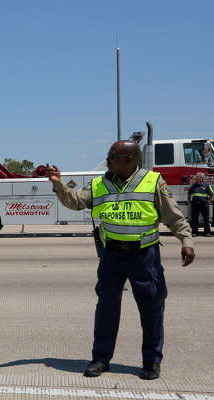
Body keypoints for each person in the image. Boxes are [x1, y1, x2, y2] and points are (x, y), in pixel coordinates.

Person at [46, 140, 195, 380]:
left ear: (129, 159)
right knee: (106, 309)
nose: (108, 159)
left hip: (144, 255)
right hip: (111, 256)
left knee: (151, 309)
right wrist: (58, 184)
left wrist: (186, 242)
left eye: (112, 156)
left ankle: (151, 362)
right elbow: (74, 202)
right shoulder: (99, 184)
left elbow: (173, 217)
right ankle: (100, 359)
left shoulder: (153, 182)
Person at [188, 172, 214, 237]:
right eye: (196, 178)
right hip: (195, 204)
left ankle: (207, 232)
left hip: (204, 204)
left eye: (198, 178)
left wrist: (209, 201)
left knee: (206, 219)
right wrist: (189, 202)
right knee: (194, 219)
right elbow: (189, 194)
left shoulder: (207, 185)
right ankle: (194, 233)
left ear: (202, 178)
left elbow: (211, 194)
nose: (197, 179)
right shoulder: (193, 185)